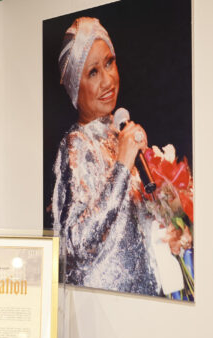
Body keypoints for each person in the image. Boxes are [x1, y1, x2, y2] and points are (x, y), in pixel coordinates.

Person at [52, 17, 164, 295]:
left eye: (109, 63)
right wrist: (123, 167)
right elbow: (75, 244)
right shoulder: (76, 145)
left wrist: (168, 216)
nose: (107, 80)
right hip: (103, 307)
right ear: (74, 86)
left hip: (145, 297)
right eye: (92, 72)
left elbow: (137, 222)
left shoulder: (121, 136)